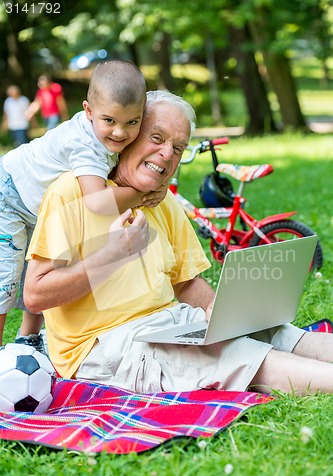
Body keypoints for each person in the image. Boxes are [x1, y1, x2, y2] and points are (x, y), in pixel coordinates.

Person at [24, 89, 333, 396]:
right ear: (127, 135)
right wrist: (111, 256)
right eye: (156, 138)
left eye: (179, 147)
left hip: (169, 323)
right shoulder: (70, 194)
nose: (167, 154)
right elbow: (35, 295)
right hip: (103, 346)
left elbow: (185, 284)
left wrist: (216, 310)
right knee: (239, 358)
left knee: (279, 333)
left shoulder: (162, 199)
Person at [0, 61, 167, 351]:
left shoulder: (107, 133)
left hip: (34, 204)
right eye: (109, 121)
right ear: (88, 111)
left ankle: (28, 339)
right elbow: (96, 202)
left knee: (48, 265)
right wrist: (142, 191)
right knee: (6, 278)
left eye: (132, 122)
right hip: (10, 197)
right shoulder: (84, 145)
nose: (119, 133)